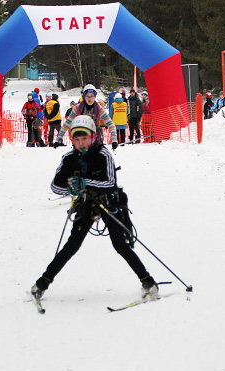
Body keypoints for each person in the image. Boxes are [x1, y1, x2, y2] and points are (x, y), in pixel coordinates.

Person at [30, 115, 159, 300]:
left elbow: (110, 183)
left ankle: (148, 281)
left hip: (109, 202)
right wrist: (71, 187)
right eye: (76, 139)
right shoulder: (69, 158)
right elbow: (55, 186)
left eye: (84, 138)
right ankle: (42, 284)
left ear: (92, 136)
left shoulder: (103, 154)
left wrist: (84, 183)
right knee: (72, 245)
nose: (81, 143)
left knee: (120, 244)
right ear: (72, 139)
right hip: (86, 204)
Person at [54, 84, 118, 150]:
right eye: (87, 96)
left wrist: (114, 140)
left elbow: (111, 124)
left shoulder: (99, 109)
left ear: (95, 96)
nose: (90, 98)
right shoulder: (77, 108)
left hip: (96, 140)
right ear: (84, 96)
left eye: (92, 96)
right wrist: (59, 138)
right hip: (80, 140)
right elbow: (67, 123)